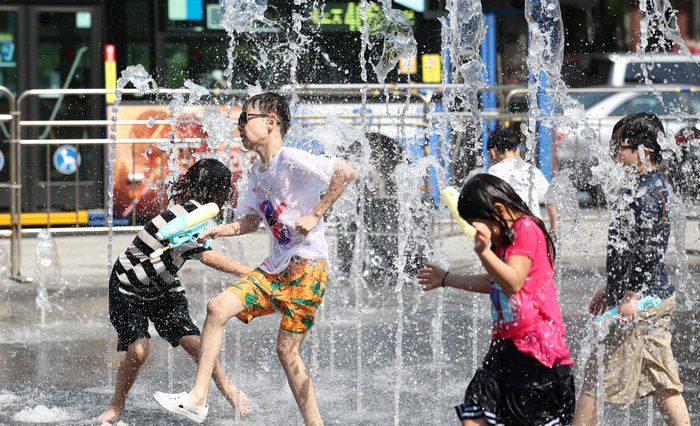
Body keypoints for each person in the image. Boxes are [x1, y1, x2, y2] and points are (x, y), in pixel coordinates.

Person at [153, 92, 356, 425]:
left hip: (307, 267)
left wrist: (316, 213)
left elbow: (345, 172)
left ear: (271, 122)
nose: (240, 126)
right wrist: (217, 231)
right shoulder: (258, 172)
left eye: (245, 118)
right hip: (275, 267)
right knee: (217, 308)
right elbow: (250, 221)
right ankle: (197, 399)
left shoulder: (290, 158)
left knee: (287, 353)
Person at [98, 158, 253, 423]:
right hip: (127, 286)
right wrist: (246, 272)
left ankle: (225, 385)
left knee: (193, 341)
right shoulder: (187, 215)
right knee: (138, 351)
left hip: (163, 285)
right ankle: (117, 403)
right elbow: (206, 257)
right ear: (219, 191)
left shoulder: (198, 213)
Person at [418, 173, 575, 426]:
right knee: (474, 415)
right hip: (505, 345)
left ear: (499, 210)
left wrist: (482, 252)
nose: (483, 235)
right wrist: (446, 278)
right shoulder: (505, 237)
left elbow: (513, 282)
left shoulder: (526, 228)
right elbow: (497, 282)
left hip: (536, 350)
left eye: (480, 224)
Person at [573, 113, 690, 426]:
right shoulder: (646, 186)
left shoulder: (647, 192)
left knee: (595, 375)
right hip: (652, 295)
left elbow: (649, 248)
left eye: (619, 146)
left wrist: (629, 295)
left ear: (644, 151)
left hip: (642, 303)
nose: (613, 154)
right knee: (662, 379)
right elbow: (629, 252)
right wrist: (609, 288)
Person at [469, 128, 558, 238]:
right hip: (535, 228)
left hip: (509, 231)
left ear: (493, 153)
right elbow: (551, 198)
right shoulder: (532, 170)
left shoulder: (493, 171)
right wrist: (554, 226)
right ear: (517, 150)